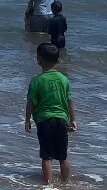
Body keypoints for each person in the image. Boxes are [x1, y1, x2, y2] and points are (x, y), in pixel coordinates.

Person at [25, 43, 76, 185]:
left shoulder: (37, 81)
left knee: (46, 156)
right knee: (62, 157)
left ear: (39, 59)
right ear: (57, 60)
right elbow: (69, 100)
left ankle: (48, 185)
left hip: (44, 121)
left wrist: (27, 120)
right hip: (61, 120)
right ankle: (66, 183)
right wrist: (73, 120)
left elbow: (31, 102)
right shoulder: (63, 79)